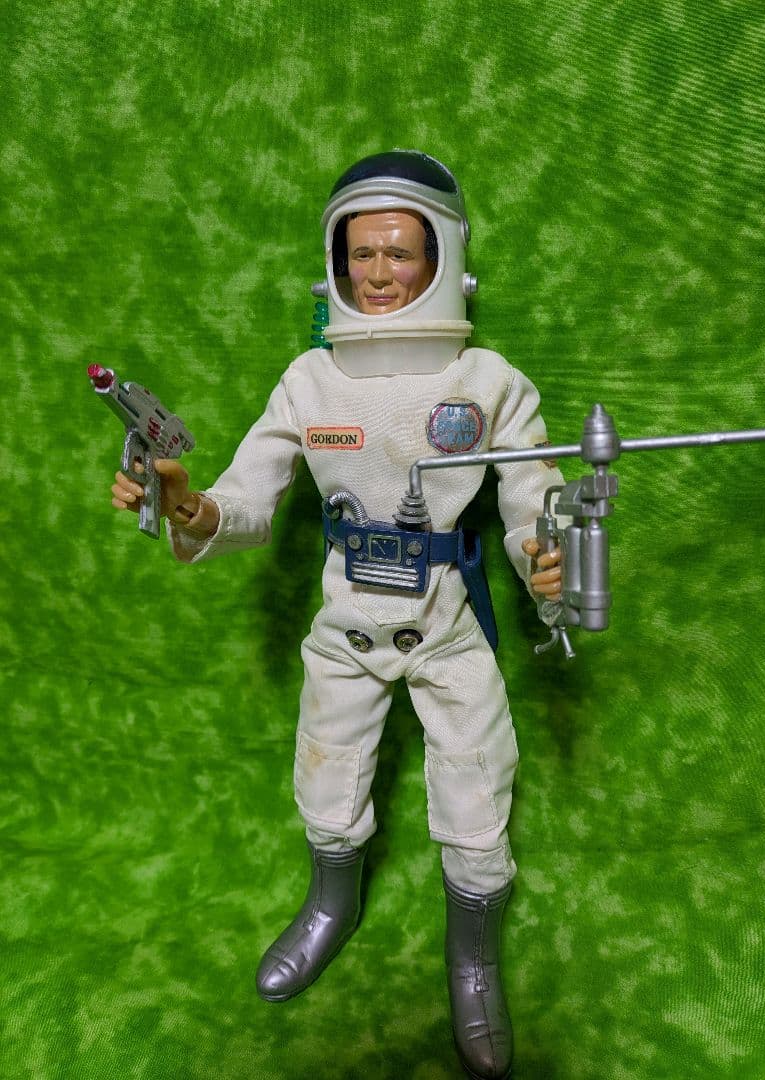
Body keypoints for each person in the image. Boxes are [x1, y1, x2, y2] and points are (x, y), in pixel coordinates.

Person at [111, 151, 562, 1080]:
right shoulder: (310, 382)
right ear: (334, 262)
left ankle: (473, 960)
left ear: (442, 259)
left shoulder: (486, 382)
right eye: (361, 254)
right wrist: (186, 504)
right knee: (327, 779)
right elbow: (247, 499)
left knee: (477, 795)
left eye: (400, 252)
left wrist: (544, 559)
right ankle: (331, 905)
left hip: (444, 624)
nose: (379, 273)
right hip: (346, 624)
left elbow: (533, 498)